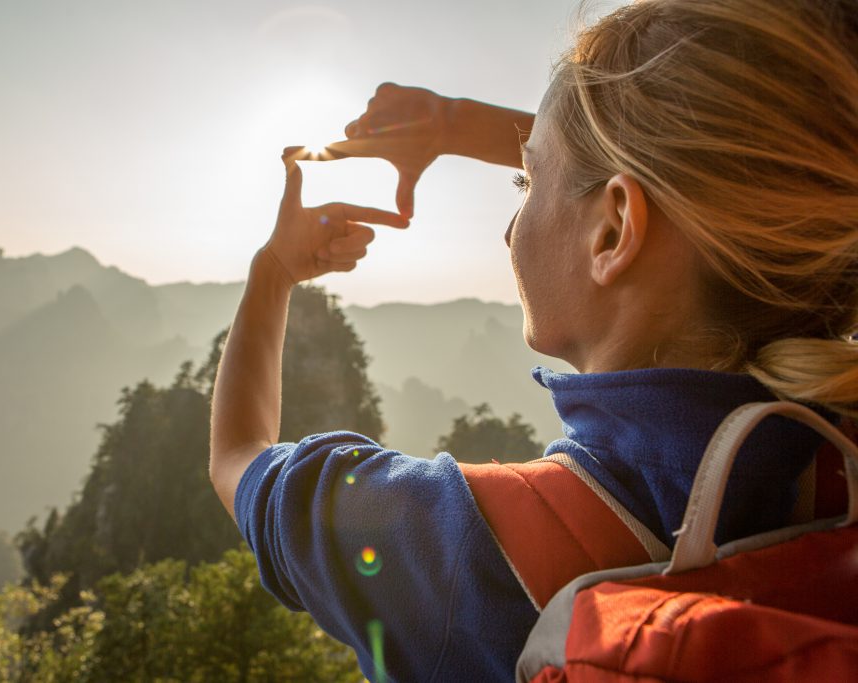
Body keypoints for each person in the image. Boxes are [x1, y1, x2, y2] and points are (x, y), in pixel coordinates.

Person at [208, 0, 858, 680]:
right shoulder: (835, 458)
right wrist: (453, 123)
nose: (509, 229)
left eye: (526, 180)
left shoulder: (450, 545)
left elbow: (235, 459)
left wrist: (273, 272)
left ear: (612, 233)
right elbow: (759, 166)